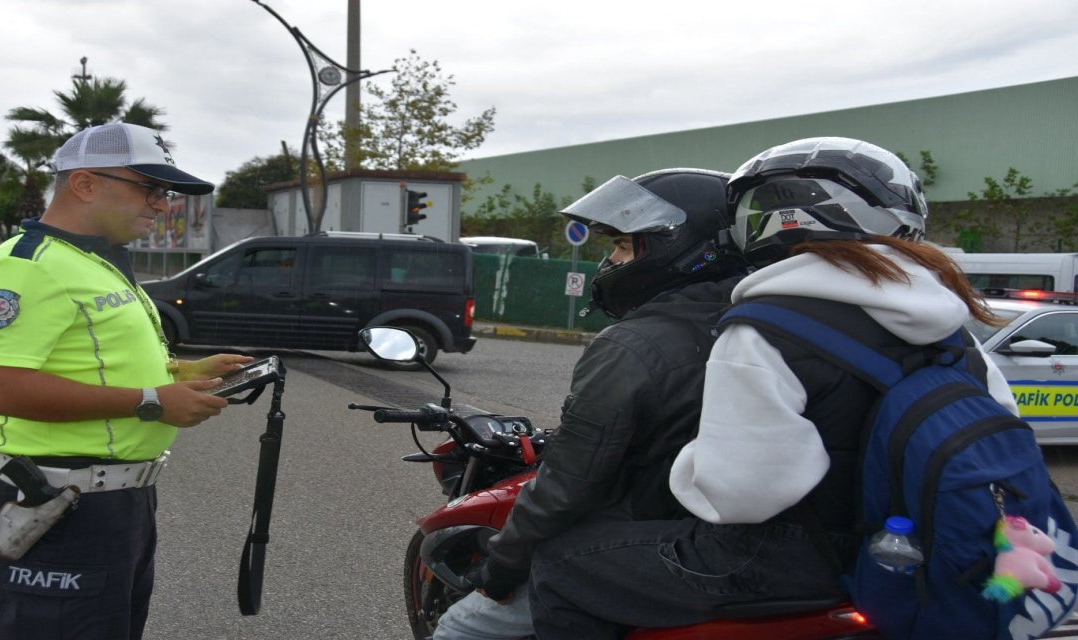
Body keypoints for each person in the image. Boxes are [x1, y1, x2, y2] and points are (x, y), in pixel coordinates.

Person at [527, 137, 1017, 638]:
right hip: (923, 547)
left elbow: (742, 497)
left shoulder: (765, 326)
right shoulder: (950, 328)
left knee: (561, 567)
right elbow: (1001, 428)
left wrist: (691, 464)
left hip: (786, 561)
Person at [0, 122, 254, 640]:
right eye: (151, 188)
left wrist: (182, 373)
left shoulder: (95, 260)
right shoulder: (30, 267)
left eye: (164, 192)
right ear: (85, 184)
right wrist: (149, 402)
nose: (162, 205)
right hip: (61, 501)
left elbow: (93, 361)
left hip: (119, 500)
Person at [434, 168, 746, 640]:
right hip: (727, 533)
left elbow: (566, 489)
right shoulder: (755, 321)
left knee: (460, 629)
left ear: (679, 248)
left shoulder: (633, 346)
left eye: (621, 247)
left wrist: (499, 568)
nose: (610, 263)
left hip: (648, 539)